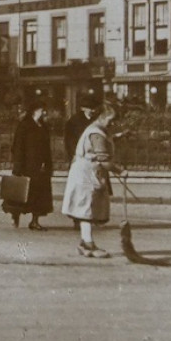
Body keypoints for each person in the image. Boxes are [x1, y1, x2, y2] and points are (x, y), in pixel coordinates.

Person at [61, 102, 124, 257]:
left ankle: (84, 242)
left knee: (87, 208)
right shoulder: (96, 132)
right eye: (111, 119)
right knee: (86, 208)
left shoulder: (98, 130)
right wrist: (120, 171)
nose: (113, 123)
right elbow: (103, 159)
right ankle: (88, 244)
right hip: (86, 175)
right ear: (102, 117)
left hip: (88, 173)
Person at [9, 103, 54, 229]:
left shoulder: (43, 126)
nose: (43, 112)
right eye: (41, 109)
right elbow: (18, 147)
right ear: (34, 111)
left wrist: (48, 164)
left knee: (39, 195)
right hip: (27, 166)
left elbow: (47, 147)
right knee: (23, 193)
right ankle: (15, 214)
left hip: (41, 167)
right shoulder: (24, 125)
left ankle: (35, 220)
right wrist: (18, 167)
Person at [64, 95, 95, 160]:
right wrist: (74, 154)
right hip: (79, 154)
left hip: (91, 155)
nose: (93, 111)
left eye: (93, 108)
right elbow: (69, 140)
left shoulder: (94, 120)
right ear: (83, 109)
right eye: (90, 108)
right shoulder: (74, 121)